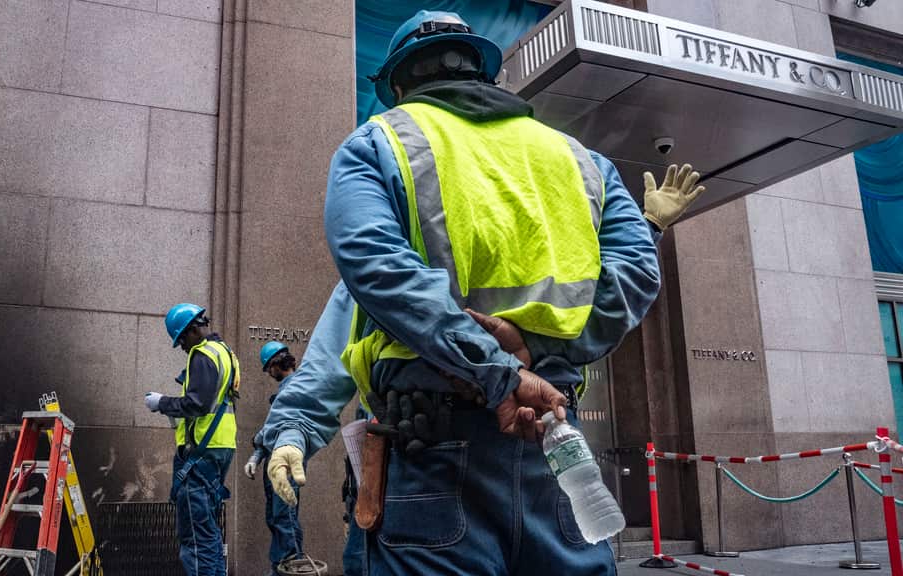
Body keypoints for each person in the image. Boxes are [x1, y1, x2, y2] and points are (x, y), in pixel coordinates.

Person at [262, 10, 703, 575]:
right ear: (484, 74)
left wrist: (502, 373)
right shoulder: (582, 161)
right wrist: (536, 353)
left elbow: (373, 279)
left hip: (434, 453)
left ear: (398, 85)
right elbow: (633, 275)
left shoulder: (379, 144)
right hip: (553, 440)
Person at [145, 303, 239, 576]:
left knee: (196, 538)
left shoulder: (202, 354)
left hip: (201, 452)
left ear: (193, 330)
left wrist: (162, 403)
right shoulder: (225, 353)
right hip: (219, 447)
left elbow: (197, 404)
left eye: (181, 340)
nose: (183, 348)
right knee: (207, 530)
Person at [244, 341, 305, 575]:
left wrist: (257, 443)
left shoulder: (296, 389)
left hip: (286, 463)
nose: (269, 373)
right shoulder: (285, 391)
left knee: (284, 518)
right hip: (276, 462)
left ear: (276, 364)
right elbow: (271, 432)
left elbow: (274, 427)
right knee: (277, 518)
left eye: (269, 368)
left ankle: (289, 569)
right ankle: (281, 568)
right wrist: (256, 457)